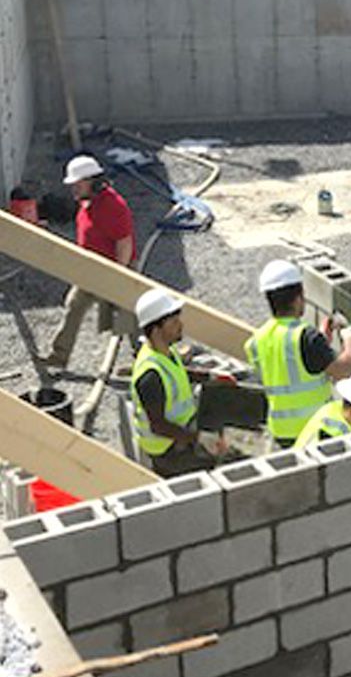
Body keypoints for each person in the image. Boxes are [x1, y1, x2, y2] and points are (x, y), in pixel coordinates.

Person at [246, 260, 351, 448]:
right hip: (313, 430)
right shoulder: (306, 337)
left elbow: (290, 365)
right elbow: (344, 370)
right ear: (299, 297)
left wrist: (322, 339)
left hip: (280, 432)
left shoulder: (257, 340)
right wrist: (350, 339)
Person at [39, 155, 137, 369]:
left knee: (128, 317)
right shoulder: (87, 202)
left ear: (93, 182)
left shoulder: (113, 206)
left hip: (114, 268)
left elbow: (124, 242)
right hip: (91, 269)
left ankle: (144, 359)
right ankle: (59, 356)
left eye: (78, 184)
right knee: (74, 305)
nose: (73, 188)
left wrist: (119, 273)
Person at [131, 288, 226, 477]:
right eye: (173, 322)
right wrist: (199, 438)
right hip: (167, 453)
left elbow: (178, 373)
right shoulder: (150, 376)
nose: (180, 325)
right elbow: (158, 426)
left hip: (181, 433)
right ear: (156, 330)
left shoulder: (167, 351)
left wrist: (210, 377)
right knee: (217, 468)